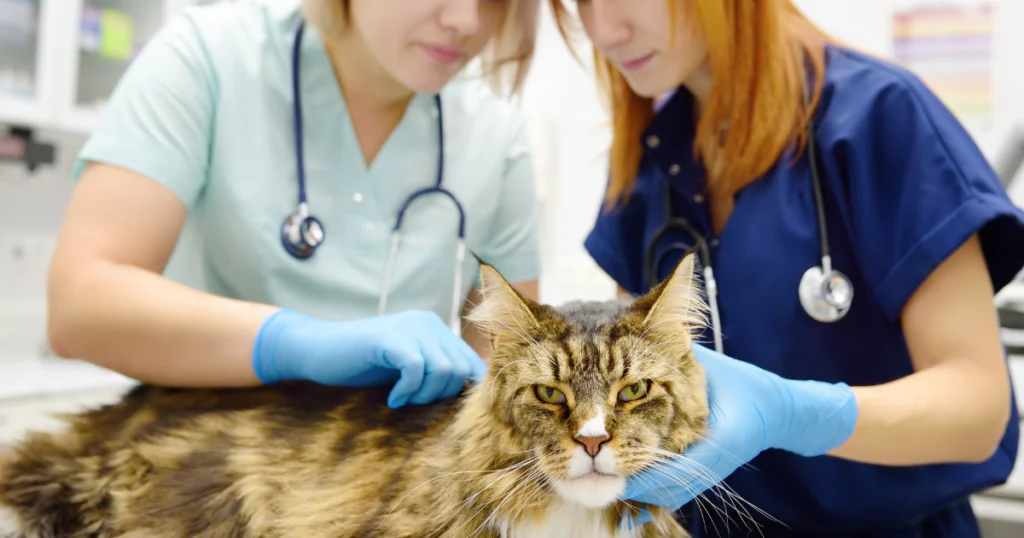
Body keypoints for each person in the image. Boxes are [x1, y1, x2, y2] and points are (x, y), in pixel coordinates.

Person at [550, 0, 1024, 536]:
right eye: (580, 2)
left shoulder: (881, 116)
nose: (605, 30)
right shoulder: (648, 160)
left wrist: (794, 414)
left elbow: (980, 411)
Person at [45, 0, 542, 410]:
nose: (467, 21)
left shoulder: (496, 133)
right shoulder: (210, 57)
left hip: (390, 482)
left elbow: (508, 369)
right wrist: (288, 343)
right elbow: (79, 307)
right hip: (203, 465)